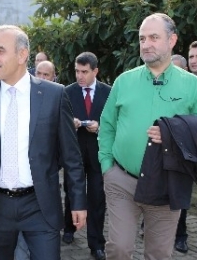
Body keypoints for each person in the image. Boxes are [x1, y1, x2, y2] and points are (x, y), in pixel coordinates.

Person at [0, 25, 87, 260]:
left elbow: (71, 156)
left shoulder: (53, 95)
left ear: (22, 55)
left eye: (0, 51)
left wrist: (78, 201)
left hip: (40, 204)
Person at [98, 13, 197, 259]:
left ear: (172, 40)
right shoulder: (124, 81)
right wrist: (107, 166)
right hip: (122, 180)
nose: (146, 44)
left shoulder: (192, 85)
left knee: (159, 253)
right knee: (119, 248)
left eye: (153, 37)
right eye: (142, 38)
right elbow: (107, 125)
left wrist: (173, 133)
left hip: (167, 182)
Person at [62, 52, 110, 260]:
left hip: (99, 154)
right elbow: (58, 120)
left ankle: (96, 243)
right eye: (77, 71)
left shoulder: (108, 92)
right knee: (73, 192)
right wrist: (69, 123)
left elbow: (114, 121)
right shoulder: (67, 92)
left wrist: (100, 126)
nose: (79, 76)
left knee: (98, 198)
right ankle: (69, 229)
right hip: (75, 154)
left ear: (95, 71)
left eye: (84, 72)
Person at [171, 40, 197, 254]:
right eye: (192, 56)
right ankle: (180, 236)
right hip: (184, 149)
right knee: (181, 192)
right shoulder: (179, 84)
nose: (194, 60)